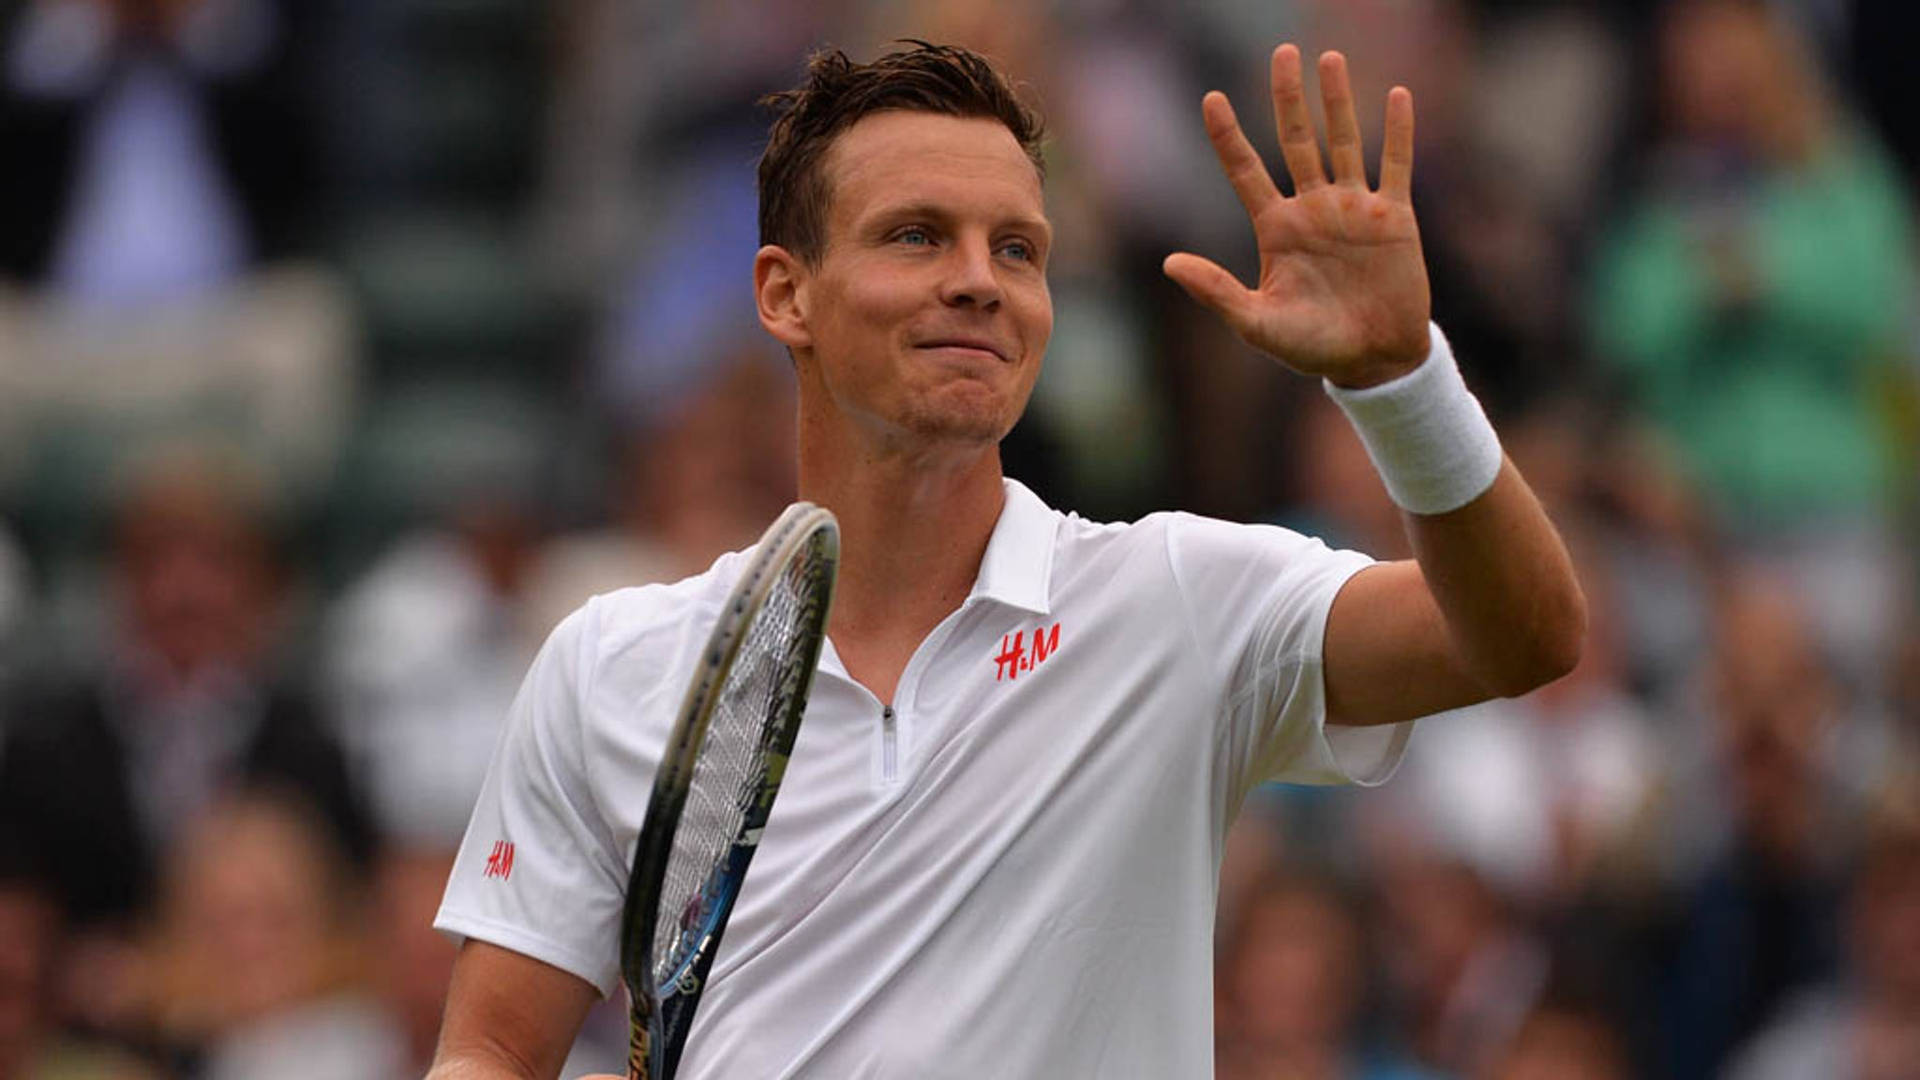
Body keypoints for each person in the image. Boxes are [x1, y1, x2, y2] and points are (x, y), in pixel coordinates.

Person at [428, 41, 1584, 1078]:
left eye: (1017, 248)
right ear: (786, 295)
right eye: (918, 235)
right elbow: (489, 1050)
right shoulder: (608, 665)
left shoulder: (1179, 601)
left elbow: (1525, 637)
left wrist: (1402, 381)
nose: (981, 278)